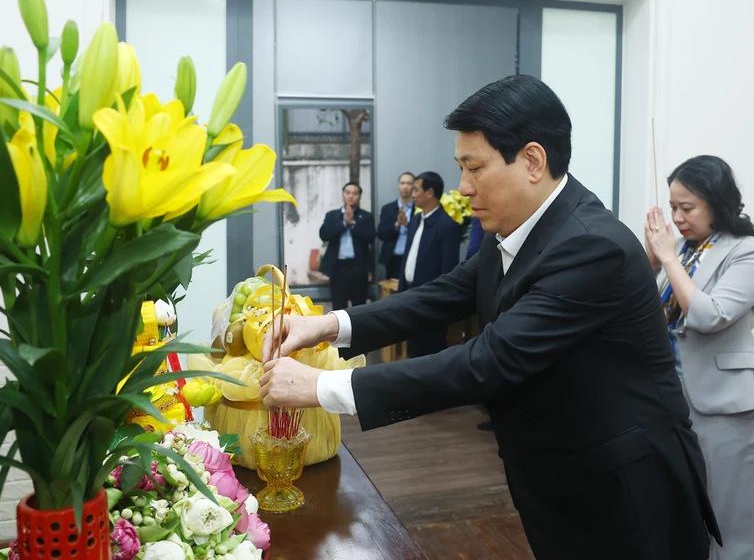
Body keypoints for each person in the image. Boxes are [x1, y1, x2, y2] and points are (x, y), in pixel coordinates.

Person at [260, 75, 720, 559]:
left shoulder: (590, 245)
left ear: (532, 161)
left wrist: (319, 388)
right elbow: (437, 297)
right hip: (561, 479)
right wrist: (326, 325)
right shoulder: (523, 231)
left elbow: (488, 361)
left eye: (474, 167)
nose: (462, 186)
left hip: (627, 494)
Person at [644, 155, 754, 560]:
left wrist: (667, 258)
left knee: (732, 526)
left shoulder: (751, 252)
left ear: (716, 204)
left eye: (687, 207)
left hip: (727, 406)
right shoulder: (681, 251)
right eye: (672, 207)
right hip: (674, 403)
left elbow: (708, 315)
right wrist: (650, 262)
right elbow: (636, 311)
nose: (677, 218)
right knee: (683, 514)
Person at [400, 171, 461, 357]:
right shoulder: (416, 219)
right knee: (412, 352)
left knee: (430, 354)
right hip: (410, 296)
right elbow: (408, 256)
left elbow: (448, 271)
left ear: (430, 193)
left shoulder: (447, 226)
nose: (412, 193)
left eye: (417, 189)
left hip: (430, 302)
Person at [318, 182, 376, 311]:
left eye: (355, 193)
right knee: (338, 306)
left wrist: (353, 224)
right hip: (338, 267)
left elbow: (371, 236)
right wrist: (344, 223)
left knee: (359, 306)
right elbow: (324, 235)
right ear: (342, 195)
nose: (351, 196)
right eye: (348, 193)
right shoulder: (332, 215)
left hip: (358, 267)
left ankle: (359, 331)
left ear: (359, 197)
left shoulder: (366, 216)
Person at [377, 172, 415, 279]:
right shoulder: (388, 208)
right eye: (402, 183)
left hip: (413, 258)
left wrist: (407, 224)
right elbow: (381, 234)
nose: (405, 186)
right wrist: (397, 225)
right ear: (398, 185)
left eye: (409, 183)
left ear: (414, 186)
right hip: (392, 258)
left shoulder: (419, 209)